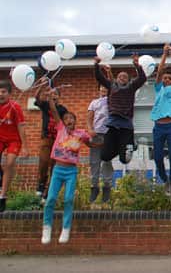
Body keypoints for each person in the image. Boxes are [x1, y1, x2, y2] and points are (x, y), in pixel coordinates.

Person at [41, 87, 96, 244]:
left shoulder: (80, 134)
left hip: (71, 170)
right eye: (66, 119)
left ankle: (65, 229)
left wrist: (95, 138)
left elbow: (91, 143)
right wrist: (51, 98)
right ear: (63, 122)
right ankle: (47, 227)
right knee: (51, 199)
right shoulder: (60, 129)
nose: (69, 120)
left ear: (75, 121)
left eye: (72, 118)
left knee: (68, 199)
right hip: (58, 169)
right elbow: (53, 110)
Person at [94, 53, 146, 165]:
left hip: (126, 125)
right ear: (116, 79)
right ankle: (121, 147)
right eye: (120, 76)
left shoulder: (131, 87)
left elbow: (142, 78)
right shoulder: (111, 85)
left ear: (128, 80)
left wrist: (137, 66)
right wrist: (96, 65)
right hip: (113, 124)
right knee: (105, 156)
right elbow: (99, 77)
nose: (122, 78)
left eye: (125, 77)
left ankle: (128, 145)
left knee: (124, 160)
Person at [151, 44, 171, 196]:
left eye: (169, 78)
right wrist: (164, 55)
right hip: (158, 127)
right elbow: (159, 71)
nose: (166, 80)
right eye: (165, 78)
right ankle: (165, 180)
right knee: (157, 157)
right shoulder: (158, 88)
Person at [33, 77, 68, 198]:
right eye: (52, 94)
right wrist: (41, 86)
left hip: (58, 140)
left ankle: (48, 192)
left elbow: (66, 124)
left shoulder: (63, 109)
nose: (54, 96)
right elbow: (37, 98)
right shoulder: (45, 105)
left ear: (59, 97)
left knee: (54, 165)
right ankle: (41, 183)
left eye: (56, 94)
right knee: (43, 162)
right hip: (46, 137)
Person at [0, 80, 28, 213]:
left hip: (14, 140)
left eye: (4, 92)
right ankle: (2, 175)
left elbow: (21, 126)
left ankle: (3, 195)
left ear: (9, 94)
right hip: (0, 138)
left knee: (9, 163)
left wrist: (25, 147)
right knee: (4, 167)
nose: (1, 94)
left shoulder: (15, 107)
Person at [86, 84, 114, 203]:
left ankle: (107, 187)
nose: (104, 89)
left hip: (108, 134)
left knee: (107, 161)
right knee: (94, 162)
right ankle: (94, 186)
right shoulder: (94, 103)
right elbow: (89, 118)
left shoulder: (112, 101)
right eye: (102, 87)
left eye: (106, 87)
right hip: (96, 134)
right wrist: (90, 129)